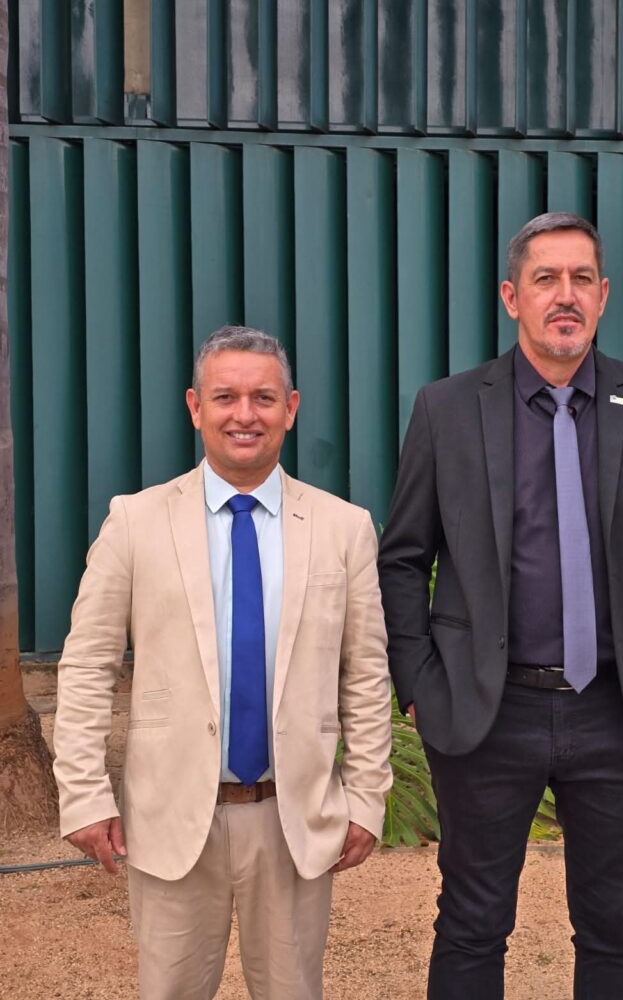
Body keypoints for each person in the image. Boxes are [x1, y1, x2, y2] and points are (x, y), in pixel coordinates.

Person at [377, 212, 623, 1000]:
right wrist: (422, 686)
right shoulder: (447, 410)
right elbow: (402, 557)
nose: (564, 295)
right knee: (471, 925)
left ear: (602, 296)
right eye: (545, 279)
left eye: (580, 279)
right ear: (513, 297)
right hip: (486, 712)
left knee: (615, 929)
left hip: (622, 713)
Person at [54, 325, 392, 1000]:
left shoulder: (343, 528)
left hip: (293, 821)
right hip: (173, 818)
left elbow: (365, 674)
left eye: (263, 398)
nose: (245, 415)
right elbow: (87, 665)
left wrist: (366, 798)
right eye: (225, 397)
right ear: (195, 406)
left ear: (290, 409)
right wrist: (84, 794)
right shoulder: (135, 523)